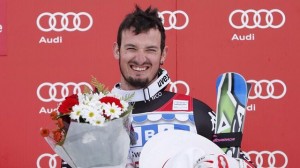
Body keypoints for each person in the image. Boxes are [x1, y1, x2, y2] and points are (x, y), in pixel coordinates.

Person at [62, 5, 255, 168]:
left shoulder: (195, 113)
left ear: (163, 54)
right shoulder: (91, 118)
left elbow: (242, 162)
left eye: (150, 50)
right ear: (116, 50)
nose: (140, 58)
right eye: (131, 48)